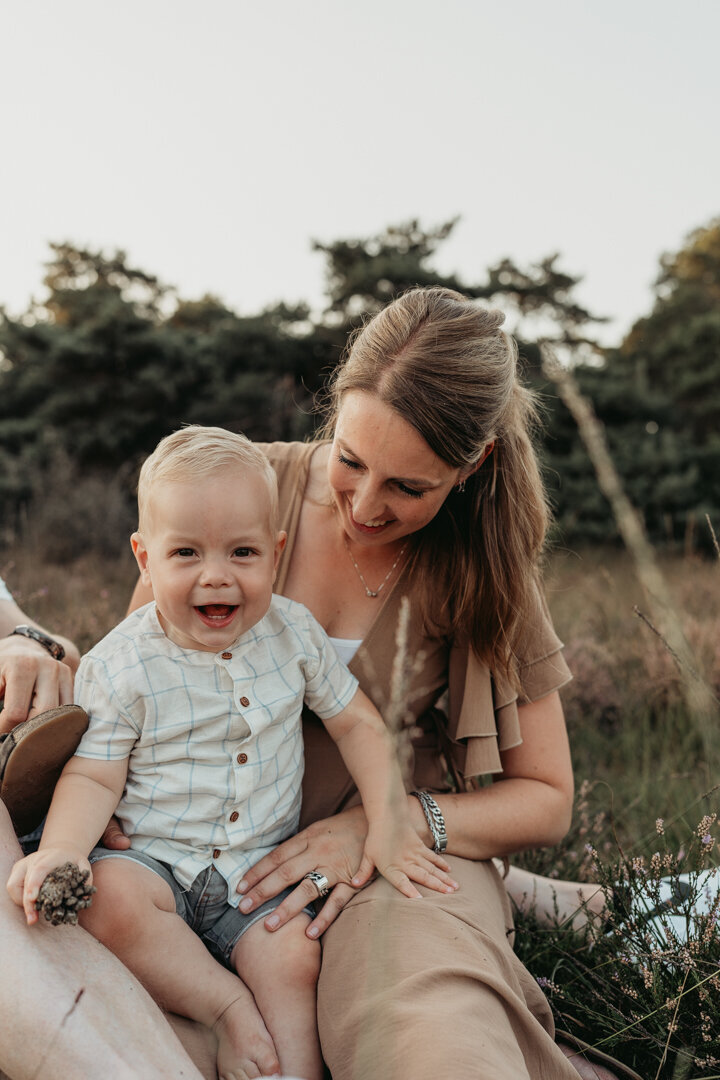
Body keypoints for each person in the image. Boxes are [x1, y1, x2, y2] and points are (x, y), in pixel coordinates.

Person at [118, 286, 598, 1080]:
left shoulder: (484, 567)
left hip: (384, 856)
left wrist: (389, 823)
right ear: (333, 412)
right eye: (349, 460)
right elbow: (134, 677)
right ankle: (551, 903)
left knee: (421, 1025)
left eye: (408, 488)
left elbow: (545, 795)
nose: (365, 506)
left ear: (471, 467)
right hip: (191, 851)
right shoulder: (239, 489)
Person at [7, 426, 454, 1080]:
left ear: (275, 554)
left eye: (242, 552)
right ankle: (222, 1010)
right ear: (144, 558)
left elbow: (359, 725)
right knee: (109, 903)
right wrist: (65, 850)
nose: (216, 576)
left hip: (254, 870)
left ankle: (291, 1070)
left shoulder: (294, 635)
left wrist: (387, 820)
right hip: (156, 859)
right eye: (185, 552)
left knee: (295, 954)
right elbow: (95, 775)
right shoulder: (122, 663)